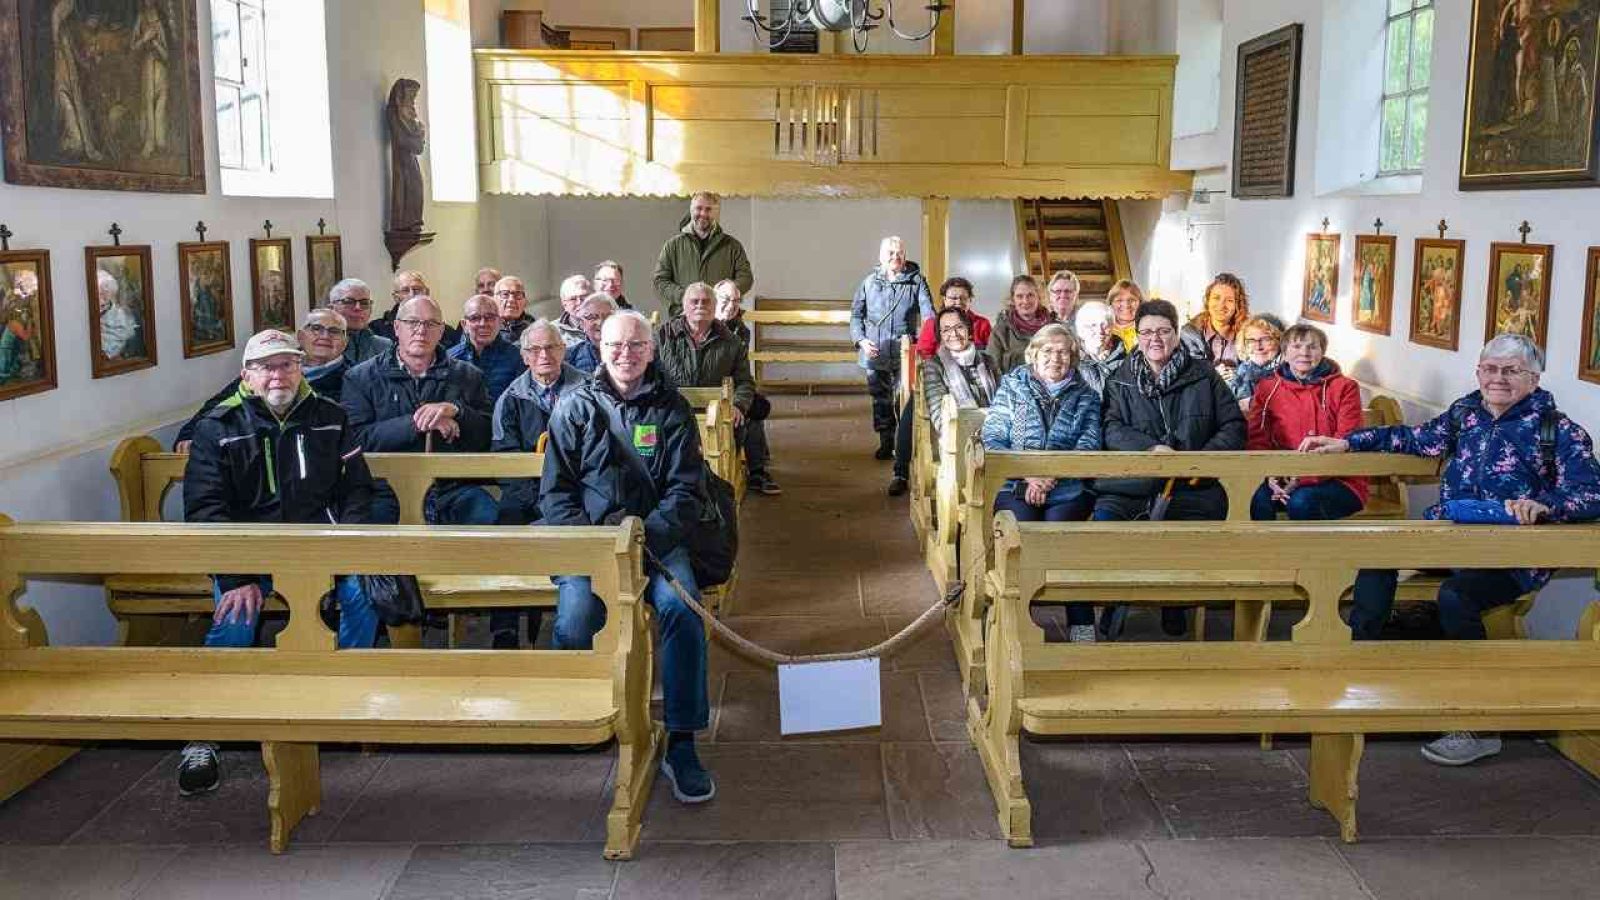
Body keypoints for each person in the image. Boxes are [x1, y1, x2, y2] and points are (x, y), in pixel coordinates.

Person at [1303, 333, 1600, 766]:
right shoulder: (1466, 413)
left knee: (1456, 597)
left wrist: (1545, 505)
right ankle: (1360, 668)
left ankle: (1479, 725)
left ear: (1534, 379)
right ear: (1478, 372)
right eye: (1490, 369)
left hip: (1511, 555)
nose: (1498, 378)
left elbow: (1592, 494)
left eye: (1511, 370)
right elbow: (1413, 438)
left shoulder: (1558, 430)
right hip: (1449, 533)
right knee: (1378, 553)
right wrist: (1348, 443)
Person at [179, 329, 376, 794]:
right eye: (266, 367)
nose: (278, 375)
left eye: (287, 364)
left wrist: (345, 544)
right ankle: (205, 734)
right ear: (247, 375)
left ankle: (336, 702)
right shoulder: (219, 427)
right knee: (235, 616)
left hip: (320, 547)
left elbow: (358, 488)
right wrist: (237, 576)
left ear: (300, 368)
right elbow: (206, 510)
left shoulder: (329, 416)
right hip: (249, 554)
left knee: (362, 596)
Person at [540, 310, 716, 804]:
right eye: (616, 345)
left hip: (655, 541)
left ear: (652, 350)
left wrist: (646, 540)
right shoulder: (575, 408)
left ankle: (681, 739)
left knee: (683, 612)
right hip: (590, 543)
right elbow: (555, 493)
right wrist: (593, 546)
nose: (626, 354)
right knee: (576, 617)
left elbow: (686, 491)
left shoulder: (672, 408)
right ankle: (576, 716)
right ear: (600, 348)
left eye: (637, 345)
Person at [1096, 299, 1245, 638]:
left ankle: (1174, 603)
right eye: (1146, 332)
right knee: (1109, 528)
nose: (1154, 339)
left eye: (1163, 331)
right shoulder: (1120, 378)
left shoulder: (1203, 375)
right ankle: (1113, 599)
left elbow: (1233, 425)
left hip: (1192, 484)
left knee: (1185, 537)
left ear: (1177, 333)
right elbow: (1110, 427)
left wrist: (1200, 461)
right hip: (1131, 483)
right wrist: (1150, 448)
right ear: (1136, 335)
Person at [980, 323, 1101, 642]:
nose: (1055, 358)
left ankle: (1081, 622)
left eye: (1063, 351)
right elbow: (993, 437)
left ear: (1073, 357)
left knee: (1064, 539)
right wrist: (1029, 475)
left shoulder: (1086, 396)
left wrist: (1050, 477)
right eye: (1048, 350)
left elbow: (1089, 444)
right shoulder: (1012, 386)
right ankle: (1015, 622)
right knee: (1021, 538)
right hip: (1015, 484)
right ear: (1034, 354)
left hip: (1068, 487)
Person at [343, 295, 496, 528]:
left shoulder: (468, 375)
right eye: (412, 322)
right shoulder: (360, 377)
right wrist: (417, 423)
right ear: (396, 327)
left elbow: (486, 436)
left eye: (430, 324)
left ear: (442, 330)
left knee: (487, 516)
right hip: (385, 489)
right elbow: (356, 440)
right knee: (366, 533)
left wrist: (457, 412)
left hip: (451, 487)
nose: (421, 331)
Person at [489, 321, 587, 649]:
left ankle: (579, 619)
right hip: (527, 492)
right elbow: (505, 459)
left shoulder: (586, 390)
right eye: (535, 350)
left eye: (551, 347)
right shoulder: (511, 397)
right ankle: (504, 629)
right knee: (505, 529)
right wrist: (538, 498)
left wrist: (559, 499)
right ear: (524, 356)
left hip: (575, 493)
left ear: (563, 350)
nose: (544, 355)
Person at [656, 282, 779, 495]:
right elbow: (649, 375)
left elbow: (744, 381)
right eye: (694, 302)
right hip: (672, 409)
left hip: (716, 410)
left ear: (713, 308)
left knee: (746, 418)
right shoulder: (662, 337)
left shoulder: (731, 342)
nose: (700, 306)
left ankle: (732, 479)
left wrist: (739, 405)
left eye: (706, 302)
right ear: (684, 306)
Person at [174, 310, 352, 451]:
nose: (325, 336)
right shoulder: (259, 373)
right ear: (301, 336)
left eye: (334, 331)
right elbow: (218, 406)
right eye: (316, 328)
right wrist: (190, 435)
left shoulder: (354, 380)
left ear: (345, 342)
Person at [1246, 323, 1366, 522]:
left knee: (1301, 501)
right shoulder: (1267, 388)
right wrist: (1269, 476)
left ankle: (1305, 554)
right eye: (1297, 346)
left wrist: (1300, 478)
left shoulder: (1345, 388)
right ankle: (1263, 553)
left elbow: (1345, 441)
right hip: (1280, 475)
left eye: (1312, 347)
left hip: (1338, 478)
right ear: (1284, 352)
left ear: (1322, 352)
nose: (1305, 353)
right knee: (1255, 499)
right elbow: (1257, 440)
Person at [851, 236, 935, 469]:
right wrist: (861, 340)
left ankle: (903, 444)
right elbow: (856, 316)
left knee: (904, 399)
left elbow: (929, 316)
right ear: (880, 257)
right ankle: (886, 441)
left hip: (904, 352)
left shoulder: (916, 282)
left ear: (905, 256)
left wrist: (925, 346)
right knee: (880, 400)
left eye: (899, 253)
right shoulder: (868, 282)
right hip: (874, 351)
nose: (895, 257)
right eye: (890, 253)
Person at [653, 191, 753, 319]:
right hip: (683, 320)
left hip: (722, 321)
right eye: (699, 208)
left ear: (715, 213)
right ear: (691, 210)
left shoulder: (732, 246)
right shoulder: (673, 245)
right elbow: (660, 280)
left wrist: (726, 293)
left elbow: (746, 277)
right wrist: (686, 296)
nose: (703, 214)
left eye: (708, 209)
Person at [922, 307, 1000, 448]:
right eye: (946, 329)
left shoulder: (988, 360)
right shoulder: (933, 366)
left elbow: (1003, 402)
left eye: (959, 327)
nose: (954, 334)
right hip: (958, 439)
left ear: (969, 330)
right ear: (940, 335)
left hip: (996, 434)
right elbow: (938, 414)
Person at [449, 293, 522, 405]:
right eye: (475, 318)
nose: (483, 324)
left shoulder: (517, 357)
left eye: (490, 317)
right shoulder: (450, 359)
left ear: (500, 322)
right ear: (464, 325)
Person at [1184, 273, 1251, 382]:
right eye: (1216, 298)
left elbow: (1257, 371)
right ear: (1208, 300)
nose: (1221, 305)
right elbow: (1185, 373)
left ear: (1237, 305)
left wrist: (1239, 375)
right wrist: (1212, 374)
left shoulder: (1248, 335)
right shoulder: (1189, 334)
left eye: (1229, 300)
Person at [987, 274, 1055, 375]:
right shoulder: (1001, 331)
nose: (1025, 301)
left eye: (1030, 295)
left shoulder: (1053, 327)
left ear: (1039, 297)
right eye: (1019, 296)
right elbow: (992, 369)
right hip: (1013, 388)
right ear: (1013, 300)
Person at [915, 276, 992, 359]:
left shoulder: (982, 323)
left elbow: (991, 353)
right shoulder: (932, 323)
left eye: (963, 298)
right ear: (944, 299)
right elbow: (924, 354)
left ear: (970, 300)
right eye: (953, 298)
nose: (958, 302)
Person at [328, 278, 395, 365]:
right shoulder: (320, 344)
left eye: (364, 303)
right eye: (349, 302)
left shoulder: (383, 346)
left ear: (370, 310)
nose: (358, 308)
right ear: (332, 308)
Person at [1073, 299, 1126, 396]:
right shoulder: (1071, 362)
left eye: (1104, 325)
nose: (1100, 331)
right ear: (1080, 330)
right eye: (1092, 325)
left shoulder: (1126, 362)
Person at [1232, 314, 1286, 407]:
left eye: (1265, 339)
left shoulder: (1288, 372)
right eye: (1251, 340)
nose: (1258, 346)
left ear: (1280, 341)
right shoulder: (1244, 368)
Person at [369, 270, 429, 344]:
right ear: (396, 297)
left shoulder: (440, 328)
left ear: (427, 293)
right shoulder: (377, 329)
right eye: (405, 290)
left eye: (417, 289)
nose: (412, 294)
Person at [567, 292, 617, 375]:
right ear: (582, 324)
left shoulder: (630, 350)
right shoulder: (570, 356)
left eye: (607, 316)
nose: (600, 322)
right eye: (592, 317)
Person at [492, 276, 535, 342]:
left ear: (525, 301)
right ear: (494, 300)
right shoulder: (485, 325)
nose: (511, 299)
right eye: (505, 294)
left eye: (518, 295)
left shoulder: (534, 328)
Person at [555, 274, 593, 349]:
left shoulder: (606, 325)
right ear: (564, 303)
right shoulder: (553, 330)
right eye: (573, 299)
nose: (579, 302)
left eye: (584, 297)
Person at [1107, 279, 1145, 352]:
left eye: (1132, 300)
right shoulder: (1103, 330)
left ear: (1140, 303)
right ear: (1111, 304)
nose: (1126, 305)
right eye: (1119, 300)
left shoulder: (1148, 328)